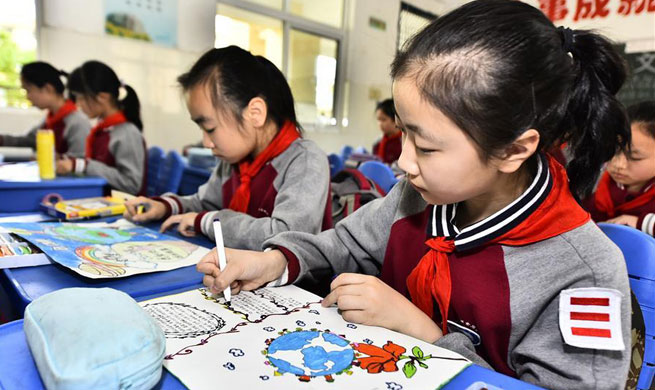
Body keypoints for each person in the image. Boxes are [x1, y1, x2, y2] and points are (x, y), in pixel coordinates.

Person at [197, 1, 633, 388]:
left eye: (425, 146)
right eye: (402, 133)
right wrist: (273, 262)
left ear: (514, 149)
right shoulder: (418, 195)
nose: (404, 163)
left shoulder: (583, 273)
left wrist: (420, 331)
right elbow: (342, 244)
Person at [123, 46, 331, 250]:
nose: (206, 142)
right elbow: (204, 203)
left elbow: (286, 236)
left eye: (210, 128)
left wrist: (209, 222)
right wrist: (165, 207)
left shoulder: (305, 161)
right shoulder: (234, 160)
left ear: (255, 113)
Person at [56, 60, 146, 195]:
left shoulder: (127, 132)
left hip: (122, 209)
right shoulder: (105, 129)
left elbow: (131, 184)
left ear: (103, 97)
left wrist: (83, 165)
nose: (78, 105)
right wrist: (70, 160)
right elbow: (100, 163)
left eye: (81, 98)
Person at [584, 100, 655, 237]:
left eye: (634, 157)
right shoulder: (597, 187)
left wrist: (643, 223)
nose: (618, 164)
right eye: (613, 152)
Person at [0, 61, 90, 158]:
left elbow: (80, 160)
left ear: (48, 89)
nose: (28, 97)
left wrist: (46, 157)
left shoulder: (77, 122)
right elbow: (29, 140)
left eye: (28, 90)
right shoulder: (49, 120)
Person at [372, 99, 402, 164]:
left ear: (395, 119)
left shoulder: (402, 142)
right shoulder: (377, 142)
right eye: (378, 120)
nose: (380, 124)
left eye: (383, 119)